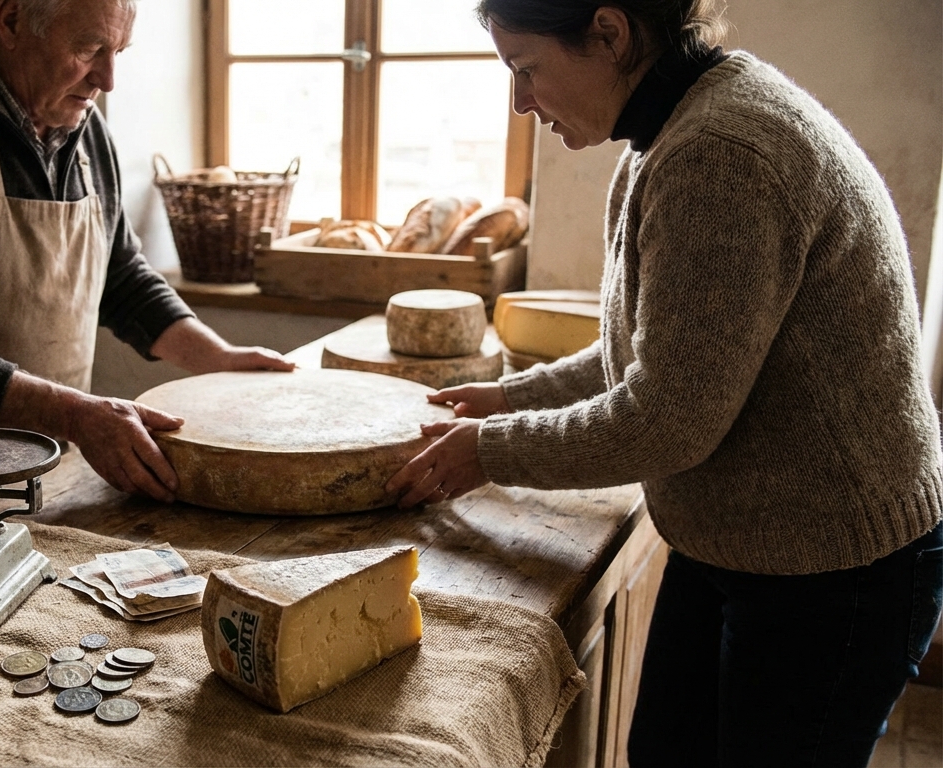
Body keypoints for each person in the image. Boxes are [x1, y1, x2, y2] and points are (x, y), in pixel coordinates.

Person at [385, 1, 943, 765]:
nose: (519, 102)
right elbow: (648, 356)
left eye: (526, 69)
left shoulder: (720, 153)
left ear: (610, 33)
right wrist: (508, 397)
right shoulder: (667, 135)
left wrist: (490, 449)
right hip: (743, 540)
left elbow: (668, 420)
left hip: (834, 569)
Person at [0, 0, 292, 502]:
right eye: (90, 48)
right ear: (11, 21)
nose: (108, 79)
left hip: (42, 472)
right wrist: (77, 414)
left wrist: (218, 358)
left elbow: (120, 276)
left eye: (119, 50)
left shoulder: (87, 130)